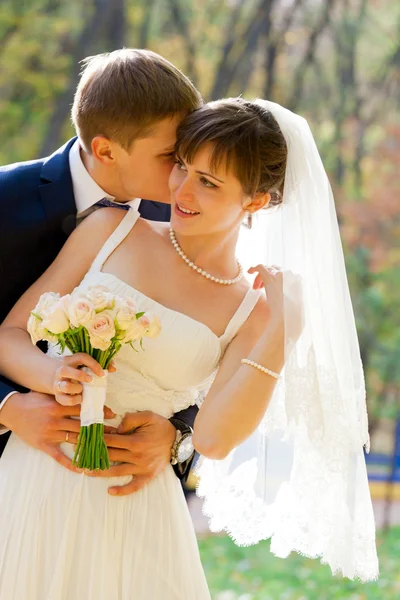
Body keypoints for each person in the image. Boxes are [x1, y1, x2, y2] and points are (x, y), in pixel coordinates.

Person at [0, 97, 378, 599]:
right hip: (36, 475)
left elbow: (215, 439)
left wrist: (285, 329)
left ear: (256, 202)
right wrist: (54, 377)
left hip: (132, 501)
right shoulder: (111, 229)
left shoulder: (253, 309)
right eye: (183, 166)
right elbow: (10, 335)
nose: (182, 188)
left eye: (210, 182)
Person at [0, 48, 203, 491]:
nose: (184, 172)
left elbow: (208, 345)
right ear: (106, 149)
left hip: (126, 492)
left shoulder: (185, 221)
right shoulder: (5, 200)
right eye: (171, 155)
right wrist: (6, 407)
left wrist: (179, 437)